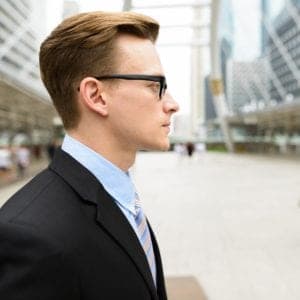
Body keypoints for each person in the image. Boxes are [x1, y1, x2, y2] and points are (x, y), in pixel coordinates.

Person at [0, 11, 179, 300]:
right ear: (96, 96)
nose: (172, 104)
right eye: (154, 86)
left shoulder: (120, 199)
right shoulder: (33, 237)